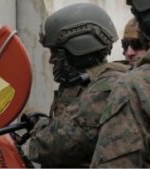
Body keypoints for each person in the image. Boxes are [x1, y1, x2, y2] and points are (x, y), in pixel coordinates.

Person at [25, 3, 129, 167]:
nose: (52, 60)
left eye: (55, 52)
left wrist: (39, 126)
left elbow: (48, 148)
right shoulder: (83, 82)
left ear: (79, 48)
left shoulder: (105, 88)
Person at [90, 0, 150, 167]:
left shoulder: (130, 86)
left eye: (137, 45)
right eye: (125, 45)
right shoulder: (113, 78)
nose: (129, 53)